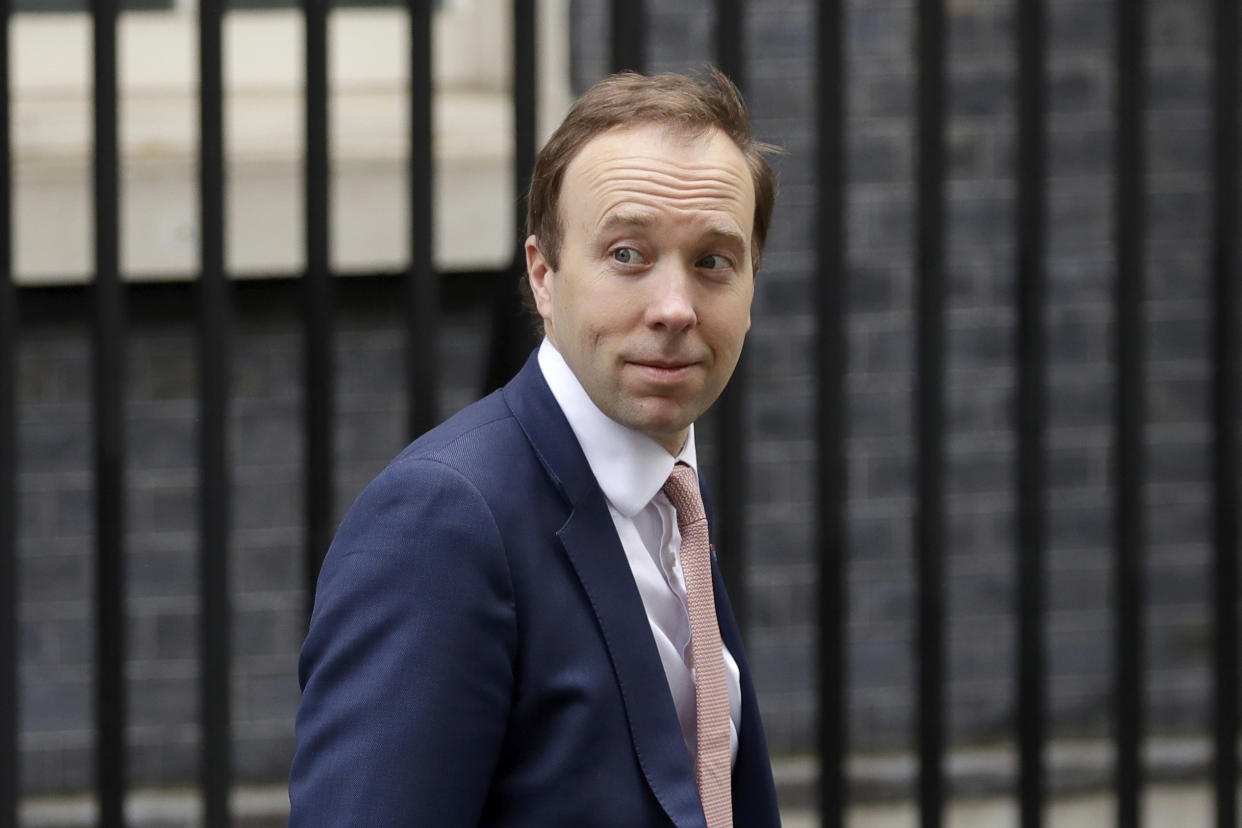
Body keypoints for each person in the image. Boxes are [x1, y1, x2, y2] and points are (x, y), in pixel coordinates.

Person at [289, 68, 782, 827]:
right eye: (627, 254)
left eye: (713, 261)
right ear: (543, 276)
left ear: (752, 286)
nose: (676, 308)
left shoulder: (670, 495)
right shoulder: (442, 523)